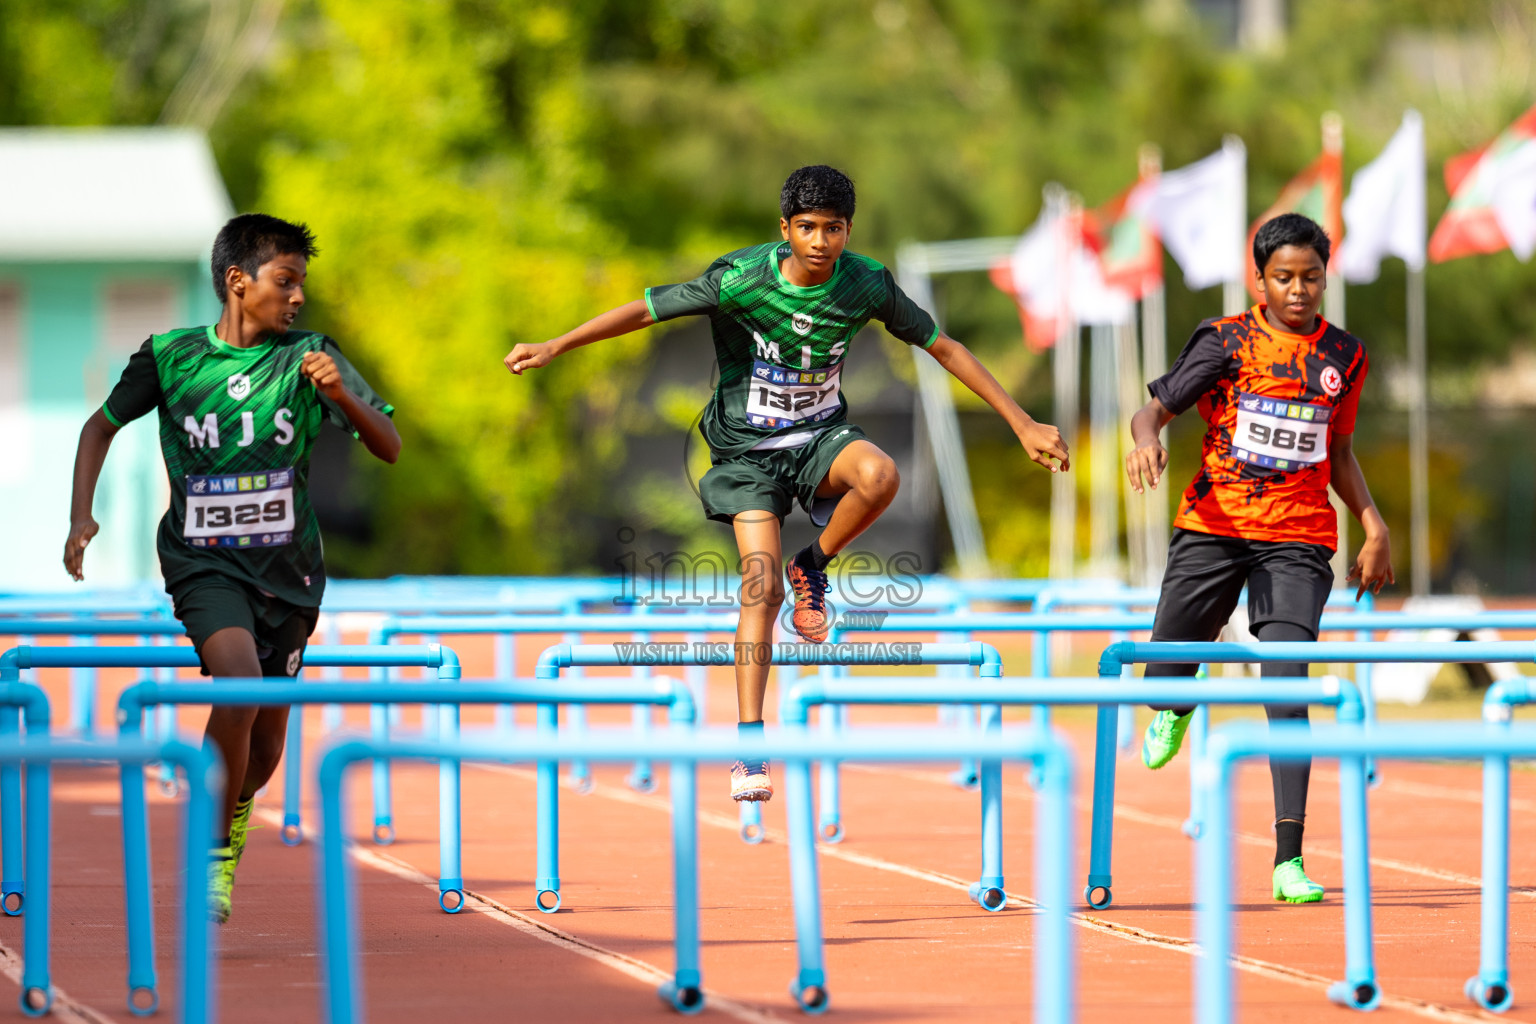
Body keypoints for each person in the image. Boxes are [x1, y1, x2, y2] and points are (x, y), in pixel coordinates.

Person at [505, 165, 1069, 803]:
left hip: (818, 439)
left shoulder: (867, 284)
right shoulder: (742, 280)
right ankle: (749, 747)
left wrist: (1022, 423)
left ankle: (815, 564)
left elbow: (944, 347)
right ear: (785, 229)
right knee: (760, 587)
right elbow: (646, 309)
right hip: (745, 455)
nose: (821, 242)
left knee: (882, 474)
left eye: (833, 229)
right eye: (807, 228)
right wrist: (556, 344)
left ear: (849, 230)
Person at [63, 213, 400, 923]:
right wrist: (80, 516)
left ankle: (234, 805)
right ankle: (211, 854)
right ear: (237, 282)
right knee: (239, 684)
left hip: (292, 571)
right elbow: (100, 427)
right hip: (201, 562)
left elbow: (390, 446)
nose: (299, 296)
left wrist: (339, 394)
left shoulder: (312, 357)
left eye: (302, 283)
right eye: (286, 281)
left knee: (268, 738)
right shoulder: (171, 356)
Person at [1125, 211, 1393, 903]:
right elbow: (1153, 410)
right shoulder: (1226, 341)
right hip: (1213, 526)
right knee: (1163, 667)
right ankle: (1173, 703)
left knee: (1287, 684)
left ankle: (1288, 859)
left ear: (1325, 278)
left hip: (1299, 537)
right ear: (1260, 280)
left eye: (1310, 278)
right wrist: (1145, 439)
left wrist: (1372, 523)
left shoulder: (1346, 356)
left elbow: (1337, 452)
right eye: (1284, 278)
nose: (1298, 291)